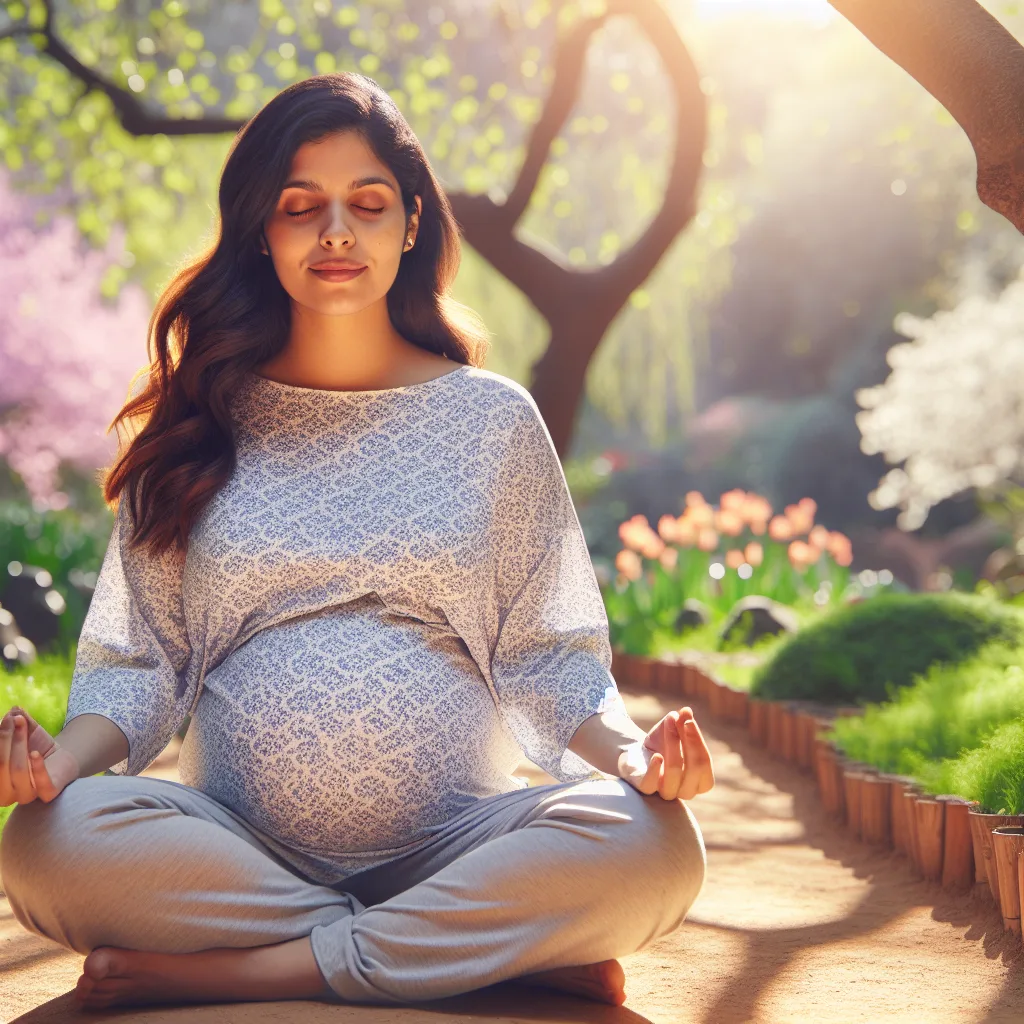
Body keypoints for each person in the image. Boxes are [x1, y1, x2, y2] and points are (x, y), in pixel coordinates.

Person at [0, 72, 713, 1012]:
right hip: (232, 845)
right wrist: (58, 767)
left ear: (410, 225)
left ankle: (266, 967)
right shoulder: (198, 420)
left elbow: (550, 660)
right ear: (263, 229)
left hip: (463, 841)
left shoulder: (491, 421)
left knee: (655, 844)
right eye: (302, 208)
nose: (337, 231)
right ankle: (478, 947)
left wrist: (634, 759)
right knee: (48, 840)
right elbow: (141, 664)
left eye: (367, 205)